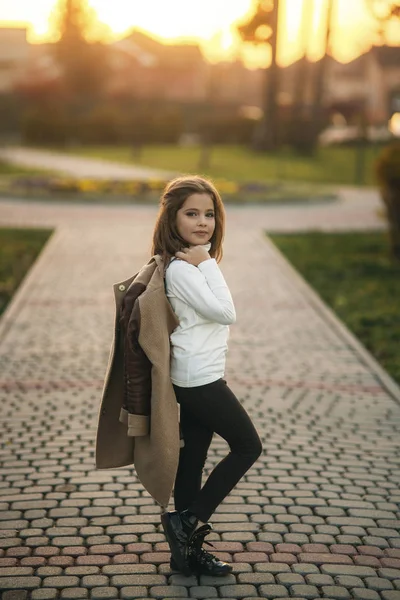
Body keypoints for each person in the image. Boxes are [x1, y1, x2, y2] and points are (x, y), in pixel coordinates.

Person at [151, 175, 263, 577]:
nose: (202, 222)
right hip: (198, 378)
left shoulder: (187, 263)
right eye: (191, 213)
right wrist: (208, 264)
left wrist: (204, 262)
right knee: (248, 446)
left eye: (210, 214)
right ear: (173, 218)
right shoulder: (187, 268)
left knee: (192, 459)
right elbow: (226, 311)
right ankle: (188, 520)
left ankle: (186, 555)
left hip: (199, 372)